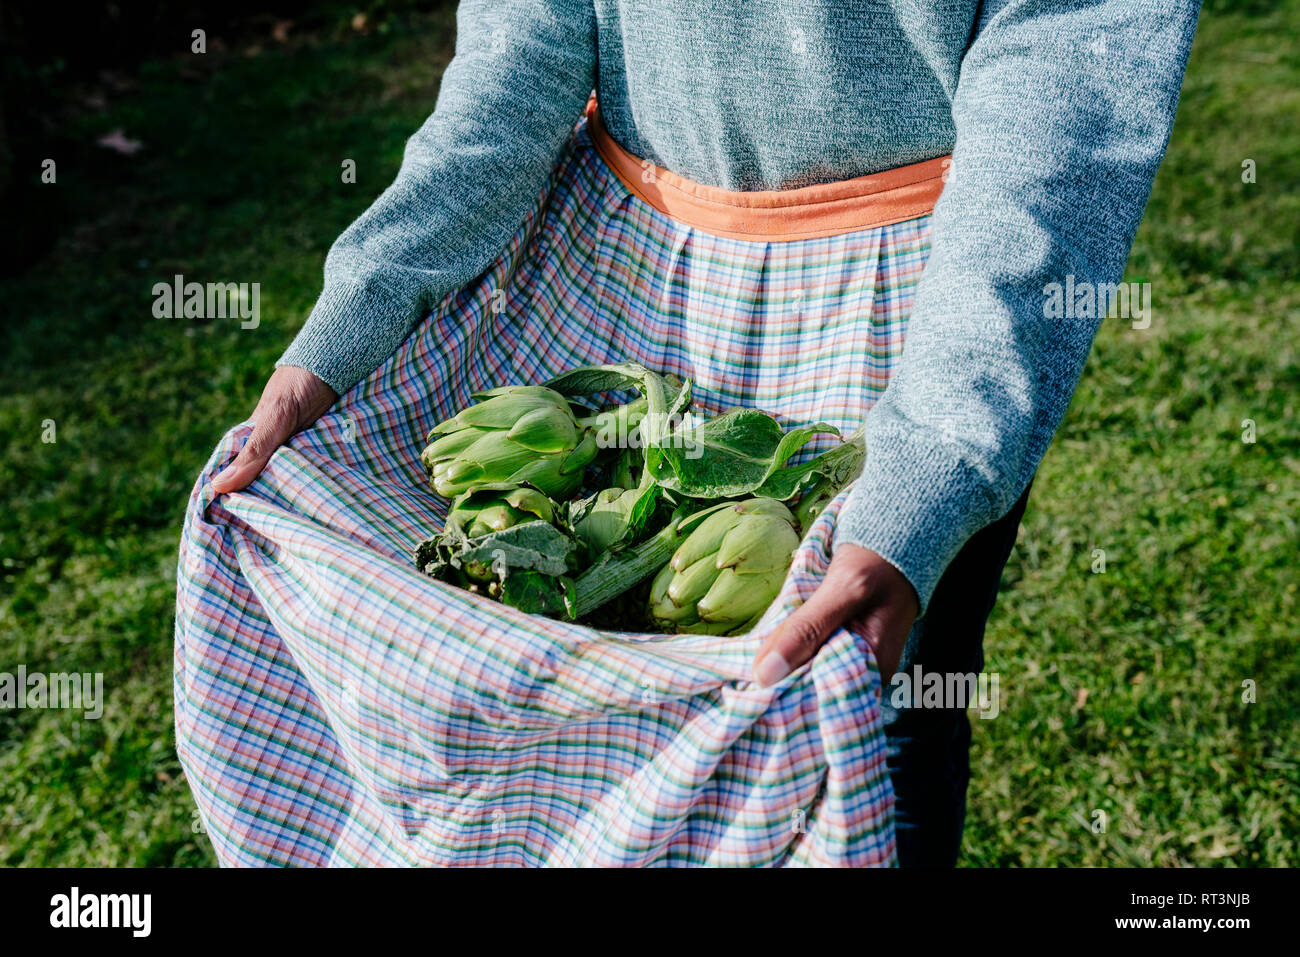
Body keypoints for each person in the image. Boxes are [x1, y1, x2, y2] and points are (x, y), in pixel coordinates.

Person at [207, 1, 1200, 865]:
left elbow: (1058, 119)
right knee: (580, 711)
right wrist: (361, 311)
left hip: (916, 319)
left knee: (874, 714)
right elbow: (525, 44)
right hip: (619, 272)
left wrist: (930, 467)